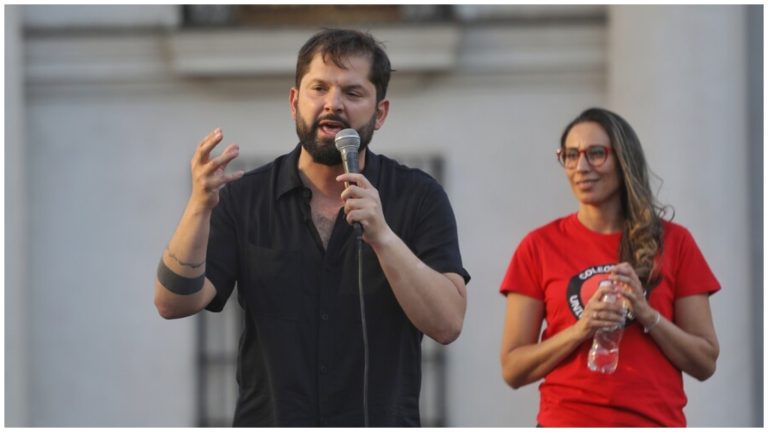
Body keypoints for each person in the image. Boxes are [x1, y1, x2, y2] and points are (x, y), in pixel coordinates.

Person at [153, 28, 469, 427]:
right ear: (294, 101)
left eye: (353, 93)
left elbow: (448, 323)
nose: (332, 104)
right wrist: (199, 206)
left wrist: (384, 238)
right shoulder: (245, 198)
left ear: (380, 112)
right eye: (318, 88)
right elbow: (173, 303)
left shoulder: (418, 197)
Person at [499, 107, 719, 427]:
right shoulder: (538, 246)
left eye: (596, 153)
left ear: (624, 160)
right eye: (570, 155)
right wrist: (580, 330)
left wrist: (646, 314)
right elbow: (512, 368)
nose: (581, 167)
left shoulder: (676, 242)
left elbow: (705, 361)